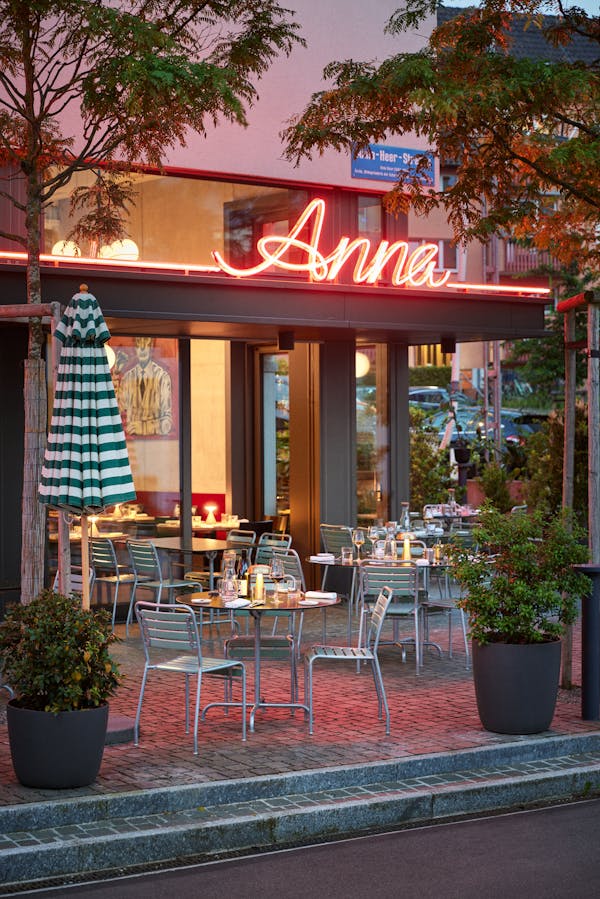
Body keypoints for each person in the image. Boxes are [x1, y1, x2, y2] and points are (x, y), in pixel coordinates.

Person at [119, 337, 173, 436]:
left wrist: (143, 428)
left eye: (146, 344)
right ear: (134, 349)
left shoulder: (162, 378)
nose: (142, 349)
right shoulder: (127, 379)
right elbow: (117, 412)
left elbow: (167, 423)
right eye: (139, 344)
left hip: (157, 444)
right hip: (131, 445)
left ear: (151, 348)